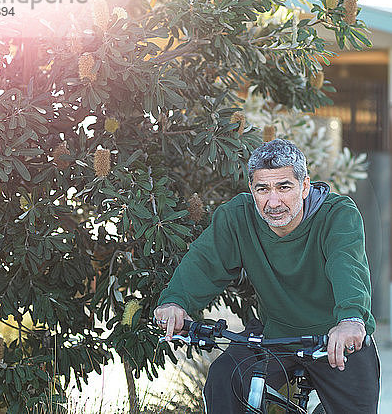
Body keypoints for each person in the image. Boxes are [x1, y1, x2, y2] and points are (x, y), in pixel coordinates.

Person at [154, 138, 380, 413]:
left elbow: (347, 266)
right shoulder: (238, 216)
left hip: (336, 340)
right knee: (223, 377)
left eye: (284, 187)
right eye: (263, 189)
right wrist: (175, 302)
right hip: (276, 336)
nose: (273, 201)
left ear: (305, 186)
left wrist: (351, 320)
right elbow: (204, 262)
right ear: (252, 189)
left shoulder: (337, 215)